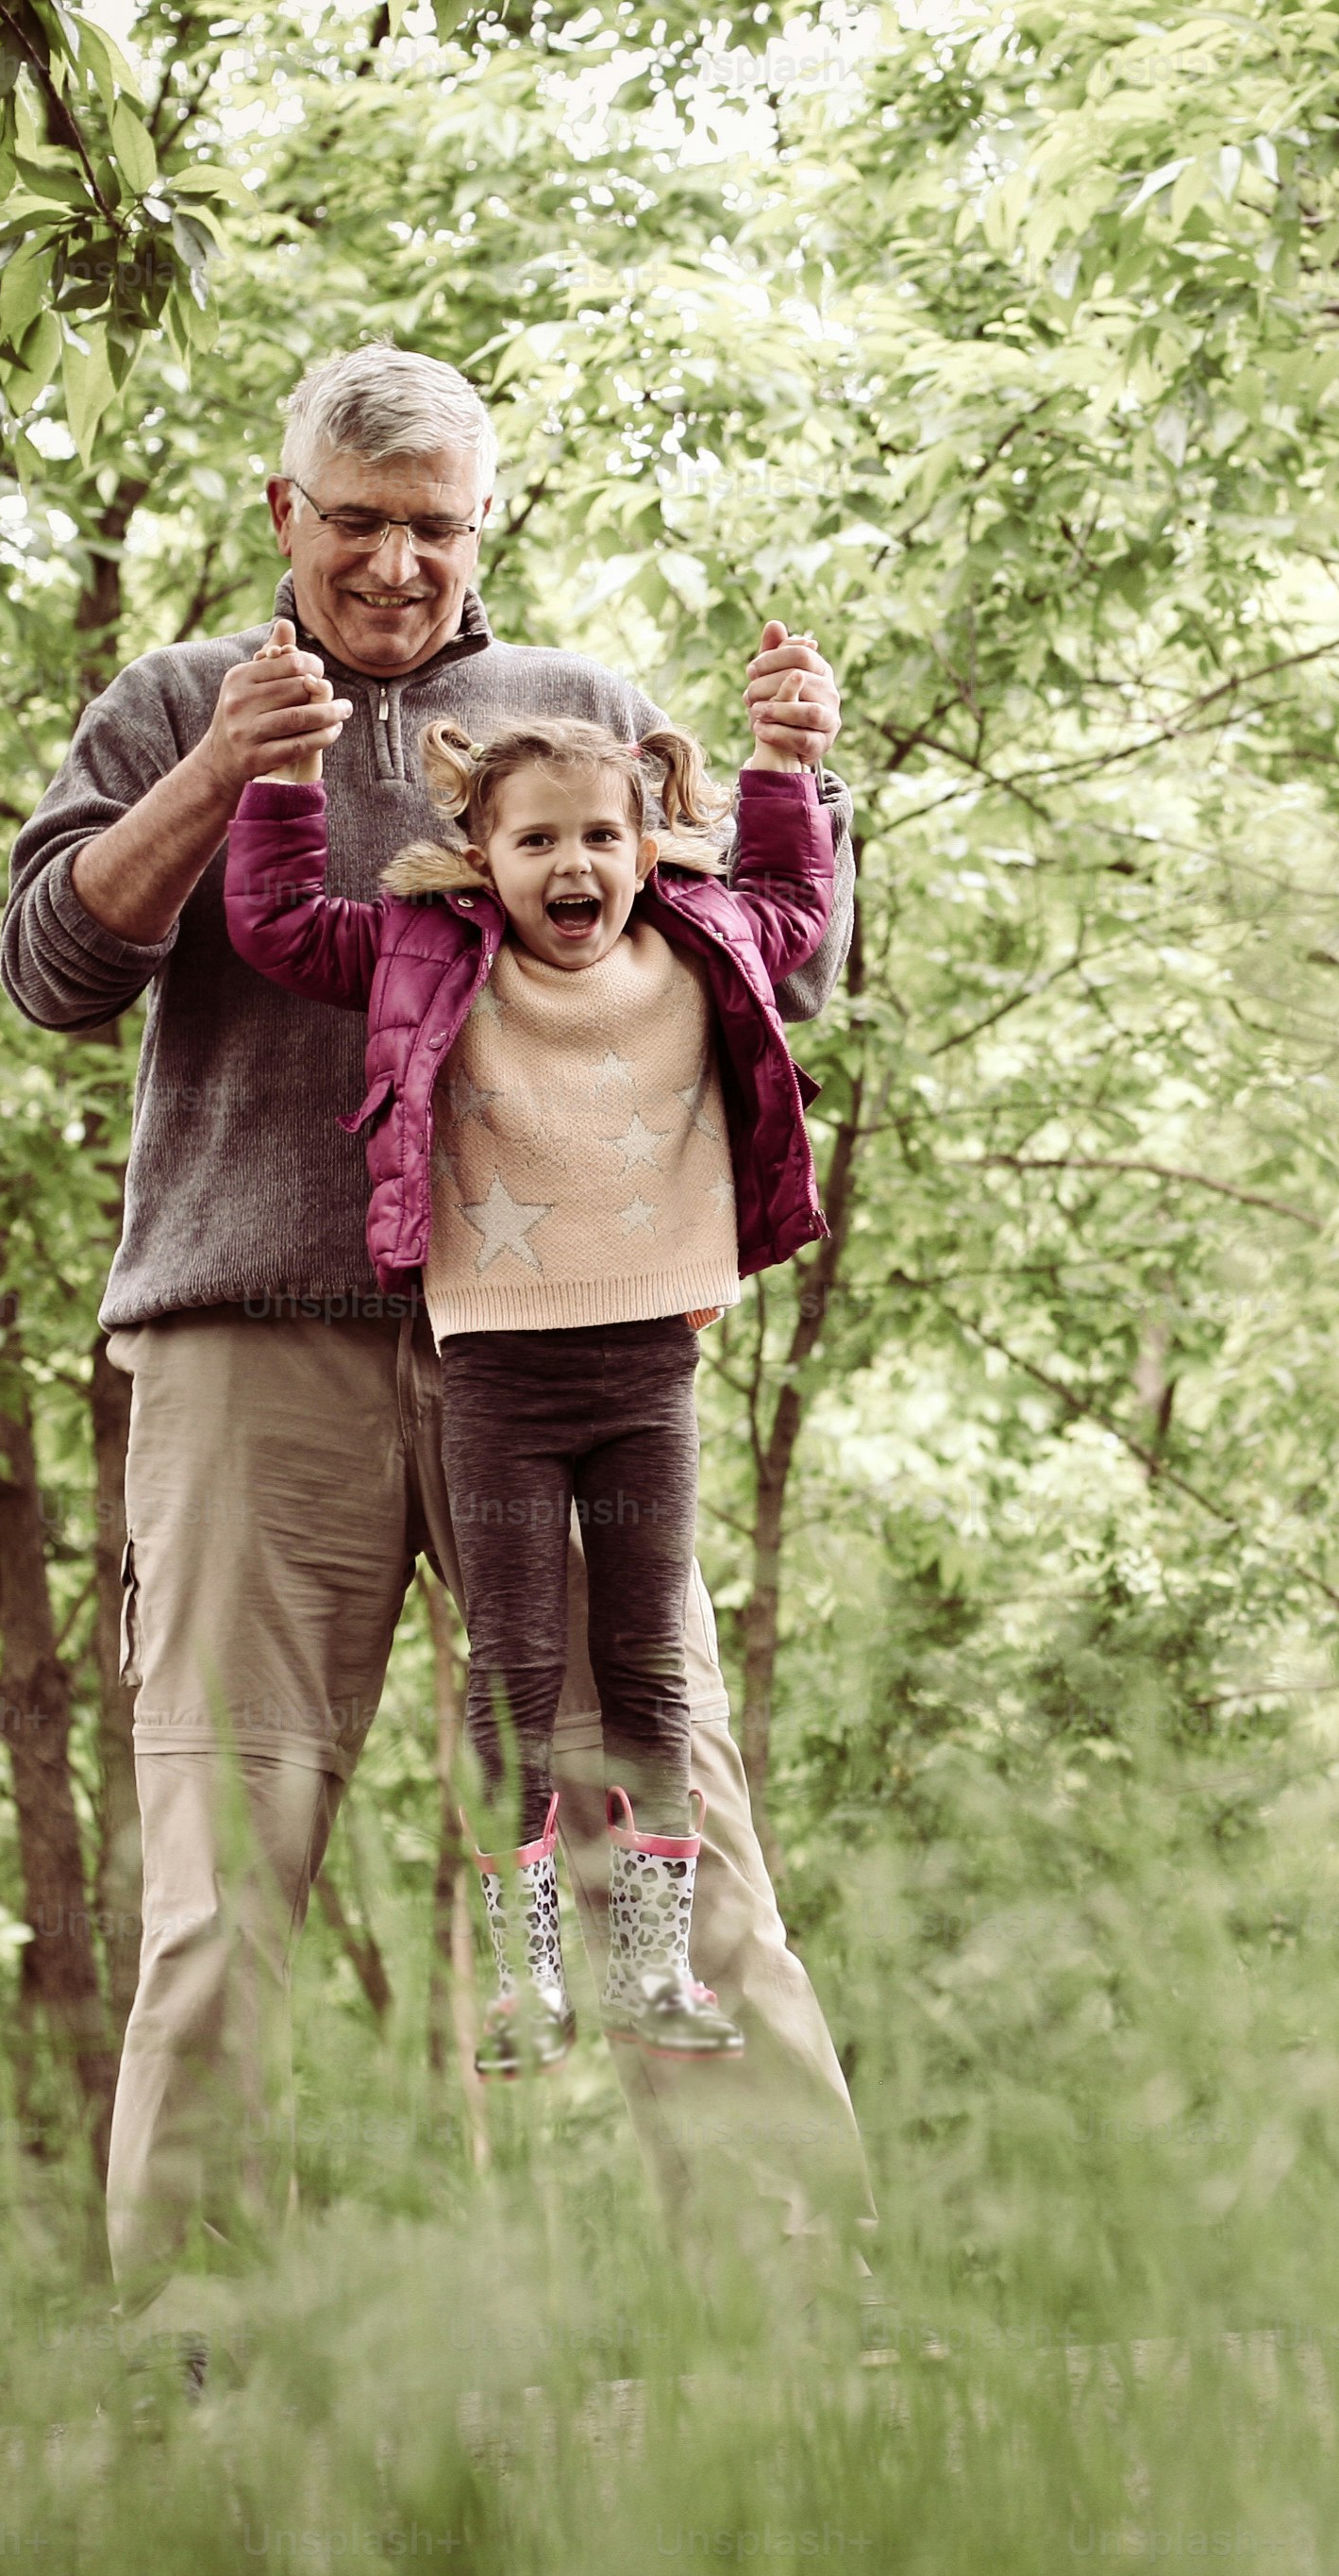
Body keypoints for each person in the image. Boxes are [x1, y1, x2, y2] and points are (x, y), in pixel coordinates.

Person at [0, 343, 871, 2296]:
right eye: (360, 522)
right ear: (283, 510)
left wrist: (805, 789)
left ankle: (797, 2309)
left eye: (437, 526)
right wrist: (225, 770)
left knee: (661, 1810)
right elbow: (53, 967)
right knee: (229, 1868)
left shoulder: (581, 720)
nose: (398, 564)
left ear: (487, 524)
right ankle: (200, 2348)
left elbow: (778, 972)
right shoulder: (172, 703)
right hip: (248, 1350)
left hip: (553, 1357)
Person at [215, 664, 838, 2079]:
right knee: (514, 1673)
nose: (574, 863)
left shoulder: (703, 937)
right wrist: (280, 779)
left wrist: (789, 762)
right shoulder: (435, 953)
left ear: (650, 839)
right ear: (481, 858)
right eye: (537, 840)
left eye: (601, 837)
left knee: (649, 1680)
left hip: (647, 1379)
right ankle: (527, 1984)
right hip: (494, 1380)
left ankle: (657, 1968)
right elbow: (277, 927)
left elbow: (800, 920)